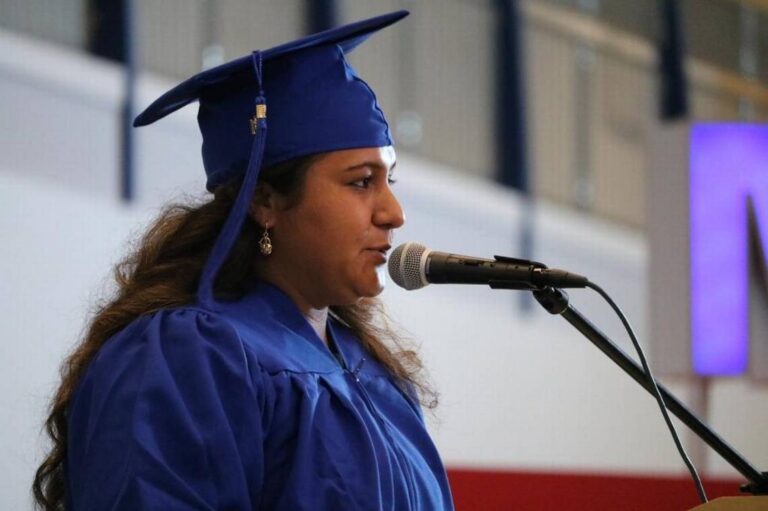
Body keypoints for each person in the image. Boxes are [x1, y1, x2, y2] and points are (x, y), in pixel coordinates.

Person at [32, 10, 454, 511]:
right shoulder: (190, 357)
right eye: (361, 181)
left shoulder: (378, 374)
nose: (394, 213)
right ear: (265, 202)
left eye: (390, 180)